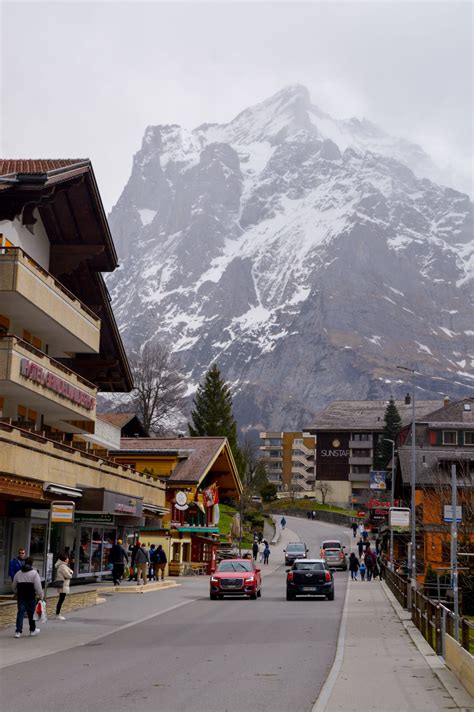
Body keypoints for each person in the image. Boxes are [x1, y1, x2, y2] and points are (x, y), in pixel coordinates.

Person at [12, 556, 43, 638]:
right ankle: (32, 630)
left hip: (21, 596)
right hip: (30, 596)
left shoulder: (18, 573)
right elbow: (38, 587)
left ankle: (18, 632)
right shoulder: (34, 573)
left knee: (20, 613)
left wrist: (16, 592)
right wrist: (41, 595)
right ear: (32, 563)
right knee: (31, 613)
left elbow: (13, 586)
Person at [54, 553, 73, 619]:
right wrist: (70, 574)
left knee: (61, 599)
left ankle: (58, 613)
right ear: (64, 559)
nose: (68, 559)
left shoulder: (64, 565)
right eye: (67, 558)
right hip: (63, 585)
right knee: (61, 600)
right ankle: (57, 614)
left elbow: (70, 572)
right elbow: (68, 575)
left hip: (64, 585)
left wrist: (70, 573)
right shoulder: (63, 566)